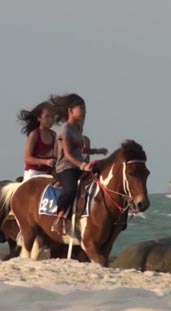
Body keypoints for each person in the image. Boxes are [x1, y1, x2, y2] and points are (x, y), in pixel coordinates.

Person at [50, 93, 108, 235]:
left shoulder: (77, 129)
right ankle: (58, 219)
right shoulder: (65, 130)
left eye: (85, 109)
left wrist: (96, 151)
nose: (84, 112)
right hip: (66, 168)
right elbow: (68, 155)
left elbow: (80, 149)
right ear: (71, 111)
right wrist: (83, 166)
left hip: (77, 166)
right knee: (70, 190)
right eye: (81, 108)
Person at [18, 101, 56, 181]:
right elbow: (27, 158)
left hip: (48, 174)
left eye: (52, 117)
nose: (50, 120)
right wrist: (45, 162)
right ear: (39, 118)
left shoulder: (54, 135)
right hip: (33, 173)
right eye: (47, 116)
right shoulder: (34, 134)